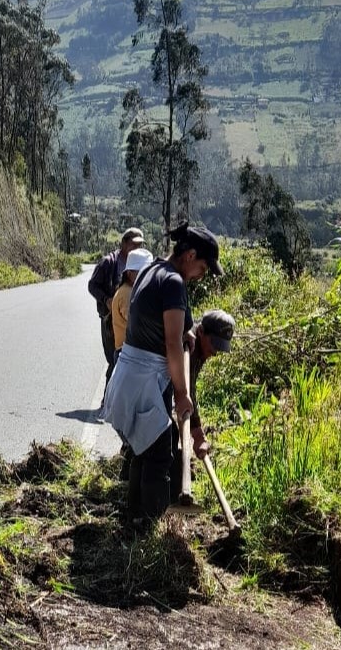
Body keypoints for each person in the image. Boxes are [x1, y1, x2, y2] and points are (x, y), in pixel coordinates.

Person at [100, 224, 224, 525]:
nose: (202, 274)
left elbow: (169, 328)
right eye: (203, 266)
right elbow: (171, 343)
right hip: (143, 382)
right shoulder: (173, 283)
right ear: (190, 255)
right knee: (158, 455)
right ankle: (149, 528)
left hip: (129, 376)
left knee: (145, 451)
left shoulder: (152, 269)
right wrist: (182, 395)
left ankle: (135, 520)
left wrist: (185, 333)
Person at [167, 309, 236, 502]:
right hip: (148, 386)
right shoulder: (187, 348)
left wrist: (197, 435)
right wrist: (195, 435)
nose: (215, 352)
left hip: (164, 390)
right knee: (166, 441)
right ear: (201, 332)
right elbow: (183, 392)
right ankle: (167, 500)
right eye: (214, 344)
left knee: (170, 439)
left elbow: (189, 394)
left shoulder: (199, 351)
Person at [88, 227, 145, 383]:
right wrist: (106, 299)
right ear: (124, 243)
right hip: (110, 319)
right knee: (114, 358)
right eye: (134, 244)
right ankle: (108, 397)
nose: (137, 248)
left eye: (140, 245)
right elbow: (92, 285)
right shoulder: (109, 262)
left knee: (125, 359)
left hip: (130, 318)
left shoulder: (139, 264)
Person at [110, 247, 153, 363]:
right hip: (127, 354)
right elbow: (138, 323)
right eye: (143, 272)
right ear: (129, 273)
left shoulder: (131, 290)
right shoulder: (127, 294)